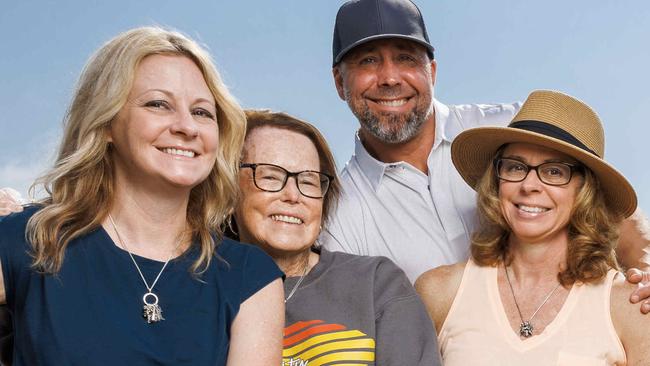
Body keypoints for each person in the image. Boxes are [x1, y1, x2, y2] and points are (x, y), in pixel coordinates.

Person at [320, 0, 650, 310]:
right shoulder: (338, 218)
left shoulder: (513, 129)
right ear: (338, 82)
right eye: (367, 61)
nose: (390, 78)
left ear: (431, 72)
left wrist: (646, 270)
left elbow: (611, 211)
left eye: (406, 58)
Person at [0, 27, 284, 365]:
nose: (187, 127)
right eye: (158, 104)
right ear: (105, 124)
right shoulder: (27, 240)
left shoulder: (249, 277)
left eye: (202, 112)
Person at [416, 90, 650, 364]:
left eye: (554, 172)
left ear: (584, 191)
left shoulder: (629, 306)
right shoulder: (440, 292)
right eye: (516, 168)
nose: (529, 185)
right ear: (497, 181)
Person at [232, 109, 441, 366]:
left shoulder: (376, 284)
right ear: (228, 189)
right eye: (270, 176)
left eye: (308, 182)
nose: (292, 195)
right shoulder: (197, 286)